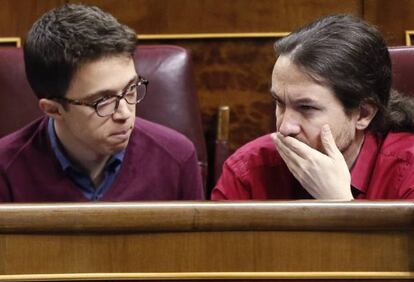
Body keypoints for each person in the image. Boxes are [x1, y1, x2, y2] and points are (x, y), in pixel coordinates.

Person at [0, 4, 204, 202]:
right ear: (54, 109)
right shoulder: (5, 170)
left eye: (131, 89)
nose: (124, 114)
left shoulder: (177, 158)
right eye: (103, 100)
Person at [212, 14, 414, 200]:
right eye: (279, 103)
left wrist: (340, 204)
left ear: (363, 114)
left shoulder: (407, 171)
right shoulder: (248, 169)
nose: (284, 127)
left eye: (306, 108)